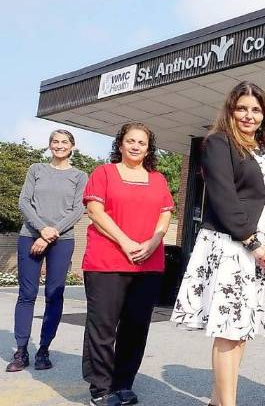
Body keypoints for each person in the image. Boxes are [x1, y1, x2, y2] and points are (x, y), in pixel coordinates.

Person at [171, 81, 265, 406]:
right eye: (242, 109)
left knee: (242, 329)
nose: (248, 115)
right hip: (231, 246)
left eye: (255, 109)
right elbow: (224, 199)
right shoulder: (218, 143)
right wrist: (254, 244)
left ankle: (217, 401)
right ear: (231, 111)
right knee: (229, 329)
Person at [81, 123, 174, 406]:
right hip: (106, 261)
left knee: (136, 327)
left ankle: (123, 383)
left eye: (142, 142)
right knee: (103, 326)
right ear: (120, 145)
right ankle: (100, 388)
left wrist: (153, 242)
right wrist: (125, 241)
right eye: (130, 141)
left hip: (148, 264)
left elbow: (165, 214)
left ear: (148, 148)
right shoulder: (103, 173)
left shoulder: (158, 179)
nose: (135, 146)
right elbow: (95, 211)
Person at [6, 130, 87, 372]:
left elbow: (77, 209)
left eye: (64, 142)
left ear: (72, 146)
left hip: (62, 240)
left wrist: (52, 233)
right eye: (55, 142)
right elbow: (24, 202)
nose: (59, 146)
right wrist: (42, 230)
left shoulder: (80, 175)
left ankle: (43, 350)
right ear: (50, 145)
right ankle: (21, 351)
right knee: (27, 294)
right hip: (29, 236)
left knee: (54, 294)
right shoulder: (36, 169)